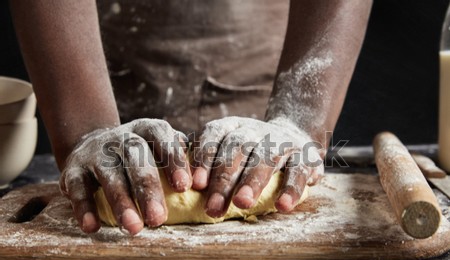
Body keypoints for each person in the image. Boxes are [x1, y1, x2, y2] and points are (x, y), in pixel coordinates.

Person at [9, 0, 372, 235]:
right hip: (92, 56)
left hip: (258, 64)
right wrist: (87, 130)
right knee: (108, 168)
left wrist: (297, 122)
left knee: (264, 166)